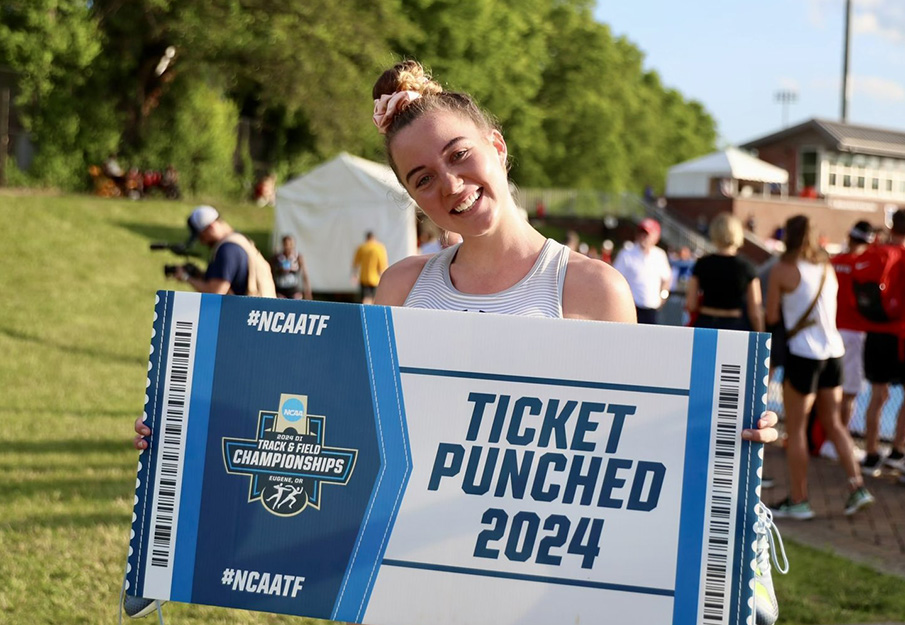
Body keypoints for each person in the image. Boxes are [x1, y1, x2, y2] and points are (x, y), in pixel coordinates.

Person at [131, 59, 781, 623]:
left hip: (539, 597)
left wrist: (722, 442)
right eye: (421, 178)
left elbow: (632, 455)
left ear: (496, 146)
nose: (448, 183)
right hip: (408, 584)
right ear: (414, 201)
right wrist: (188, 441)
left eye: (458, 154)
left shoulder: (592, 289)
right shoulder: (402, 285)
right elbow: (339, 433)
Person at [765, 215, 874, 520]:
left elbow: (772, 315)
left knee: (796, 429)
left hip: (803, 353)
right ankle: (858, 485)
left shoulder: (783, 269)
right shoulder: (827, 268)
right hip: (833, 352)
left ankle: (799, 498)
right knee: (835, 423)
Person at [858, 210, 905, 476]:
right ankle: (898, 449)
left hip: (874, 332)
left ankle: (871, 453)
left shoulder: (876, 252)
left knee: (877, 396)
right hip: (900, 334)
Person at [170, 205, 276, 298]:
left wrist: (185, 277)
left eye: (202, 237)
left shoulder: (227, 249)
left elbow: (215, 292)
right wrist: (199, 275)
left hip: (246, 316)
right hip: (260, 313)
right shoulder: (240, 241)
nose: (202, 242)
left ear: (211, 227)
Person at [829, 221, 875, 435]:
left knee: (829, 391)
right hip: (855, 332)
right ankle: (837, 441)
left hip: (830, 331)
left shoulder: (833, 262)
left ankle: (824, 439)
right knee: (849, 393)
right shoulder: (865, 265)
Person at [685, 213, 764, 332]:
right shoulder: (747, 266)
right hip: (735, 326)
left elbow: (691, 304)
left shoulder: (702, 264)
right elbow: (755, 312)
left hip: (705, 324)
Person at [613, 218, 672, 324]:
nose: (643, 237)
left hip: (652, 308)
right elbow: (616, 278)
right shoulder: (626, 254)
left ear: (656, 236)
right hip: (631, 307)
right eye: (641, 233)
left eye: (647, 234)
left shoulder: (659, 255)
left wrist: (662, 297)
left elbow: (666, 279)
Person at [271, 234, 312, 300]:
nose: (288, 247)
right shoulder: (277, 257)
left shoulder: (298, 257)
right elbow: (271, 273)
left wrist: (308, 291)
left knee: (295, 307)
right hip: (280, 289)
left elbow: (304, 275)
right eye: (286, 244)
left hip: (293, 289)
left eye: (290, 244)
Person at [352, 231, 388, 305]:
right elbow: (382, 265)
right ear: (374, 238)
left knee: (365, 299)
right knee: (374, 299)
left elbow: (355, 263)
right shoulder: (379, 248)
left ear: (366, 238)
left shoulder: (362, 247)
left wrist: (354, 275)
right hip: (376, 279)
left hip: (364, 278)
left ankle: (365, 314)